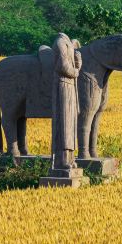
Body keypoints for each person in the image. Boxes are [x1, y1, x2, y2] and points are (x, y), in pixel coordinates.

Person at [50, 33, 81, 172]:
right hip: (63, 84)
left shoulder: (68, 43)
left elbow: (71, 65)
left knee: (71, 124)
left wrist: (78, 63)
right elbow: (62, 66)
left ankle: (70, 158)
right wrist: (76, 72)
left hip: (70, 86)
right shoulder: (60, 43)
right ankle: (61, 160)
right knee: (64, 123)